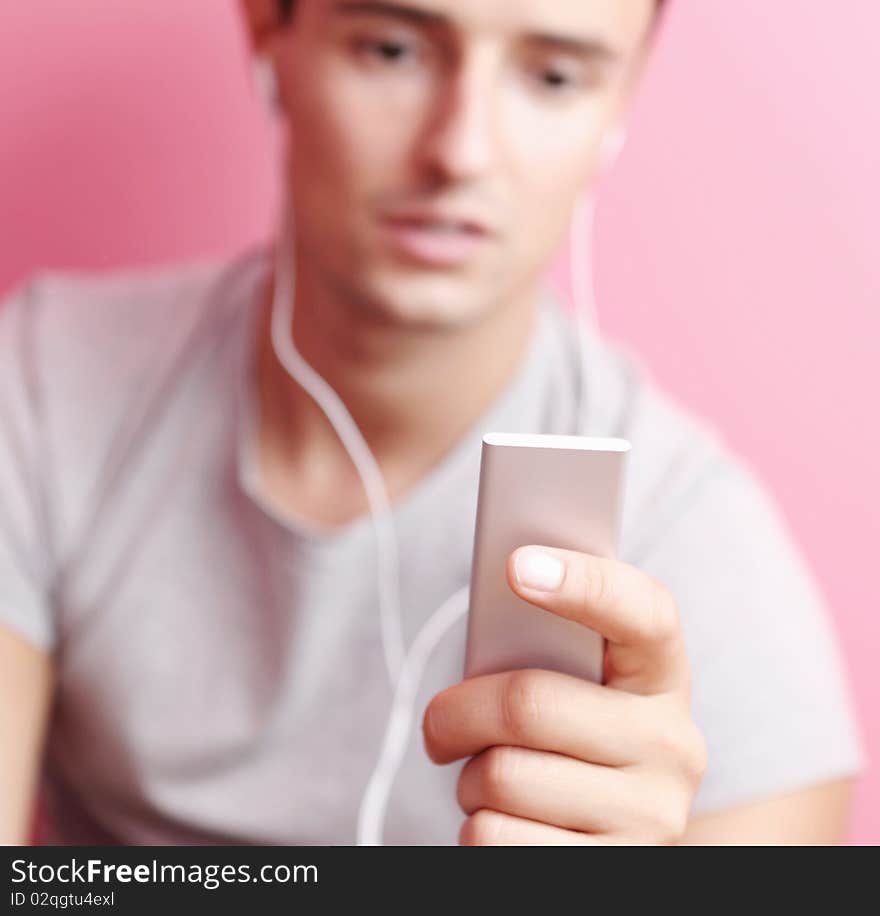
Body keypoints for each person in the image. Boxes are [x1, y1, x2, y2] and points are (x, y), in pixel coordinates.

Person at [0, 0, 865, 846]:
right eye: (391, 50)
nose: (460, 150)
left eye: (555, 75)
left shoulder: (700, 558)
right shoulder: (46, 386)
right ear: (269, 26)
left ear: (623, 97)